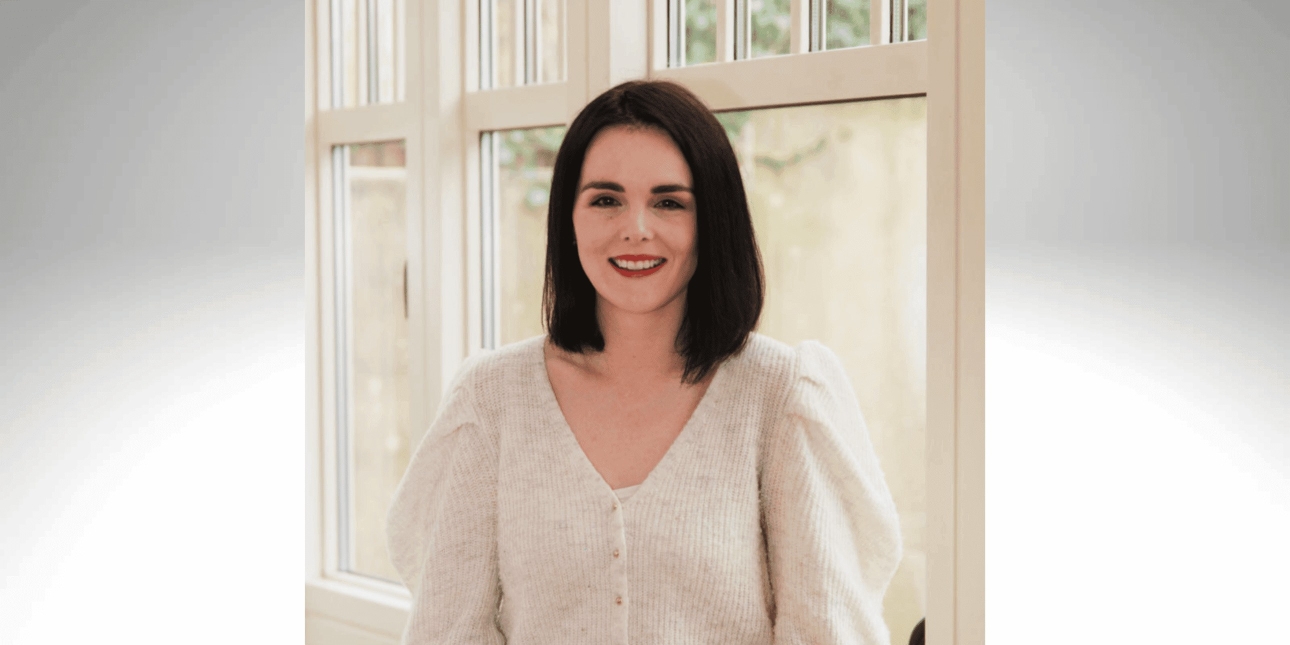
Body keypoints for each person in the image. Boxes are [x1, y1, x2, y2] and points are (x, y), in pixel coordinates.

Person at [387, 79, 902, 644]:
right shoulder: (492, 398)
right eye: (606, 199)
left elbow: (825, 632)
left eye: (669, 202)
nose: (636, 228)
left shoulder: (782, 395)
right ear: (569, 218)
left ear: (713, 220)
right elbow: (446, 630)